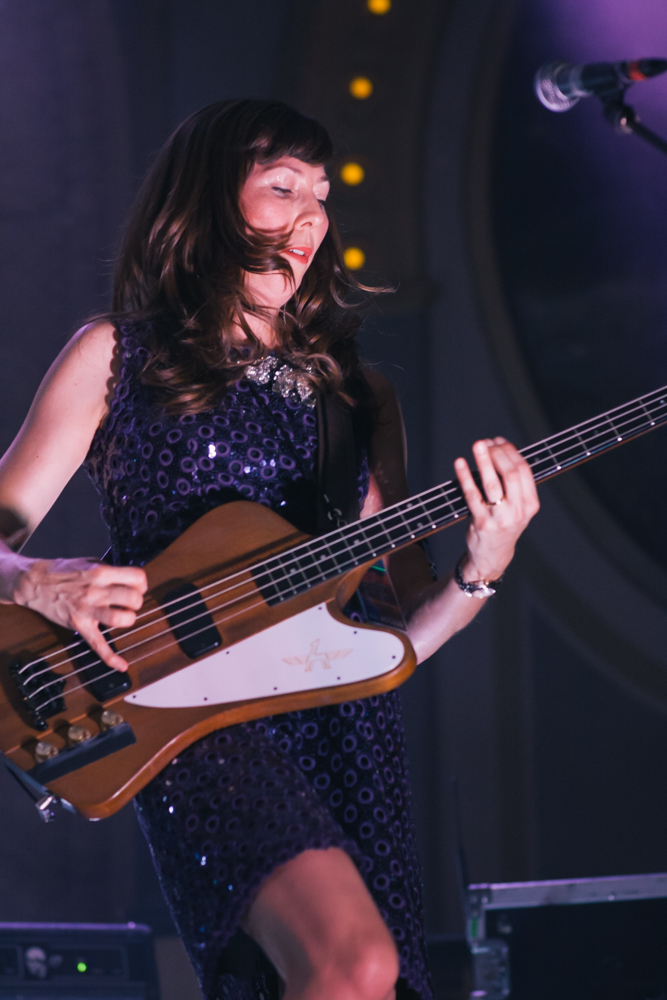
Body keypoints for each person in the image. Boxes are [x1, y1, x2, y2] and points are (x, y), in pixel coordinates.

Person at [0, 100, 539, 1000]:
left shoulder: (359, 399)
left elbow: (401, 633)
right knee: (351, 962)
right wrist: (39, 582)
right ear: (209, 201)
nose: (311, 219)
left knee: (368, 983)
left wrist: (483, 565)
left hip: (345, 734)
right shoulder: (116, 356)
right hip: (186, 720)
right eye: (282, 187)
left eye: (321, 197)